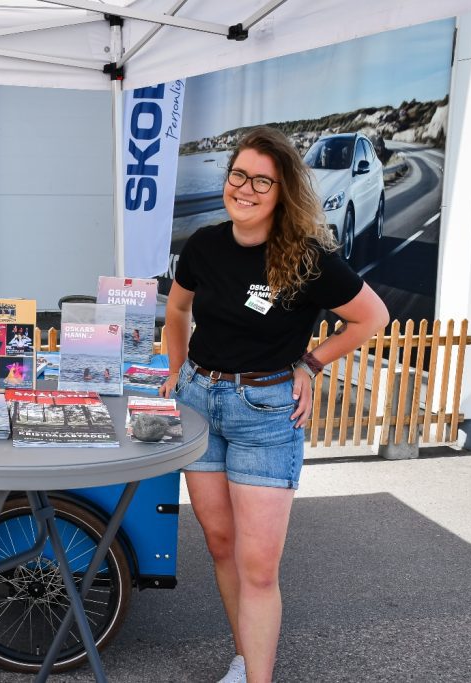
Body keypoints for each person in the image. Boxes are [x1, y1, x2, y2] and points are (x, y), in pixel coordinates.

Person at [159, 126, 388, 683]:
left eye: (264, 181)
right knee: (219, 544)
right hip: (200, 402)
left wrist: (309, 363)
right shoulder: (203, 245)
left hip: (266, 411)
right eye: (239, 175)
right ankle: (245, 658)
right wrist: (175, 369)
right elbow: (177, 313)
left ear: (283, 191)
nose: (247, 189)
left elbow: (371, 317)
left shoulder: (307, 257)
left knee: (258, 567)